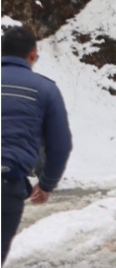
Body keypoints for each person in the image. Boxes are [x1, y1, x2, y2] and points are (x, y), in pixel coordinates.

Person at [2, 26, 73, 264]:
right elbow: (60, 145)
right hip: (6, 186)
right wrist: (46, 184)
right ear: (32, 55)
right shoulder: (45, 90)